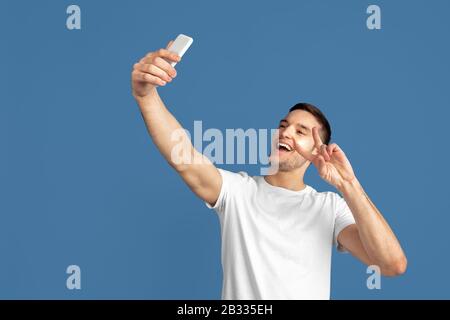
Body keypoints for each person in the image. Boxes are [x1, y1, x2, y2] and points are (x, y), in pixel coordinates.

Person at [130, 40, 407, 300]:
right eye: (283, 125)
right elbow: (184, 157)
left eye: (301, 131)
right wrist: (146, 96)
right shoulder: (238, 191)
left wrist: (349, 184)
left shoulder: (330, 207)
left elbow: (391, 264)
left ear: (318, 149)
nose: (286, 133)